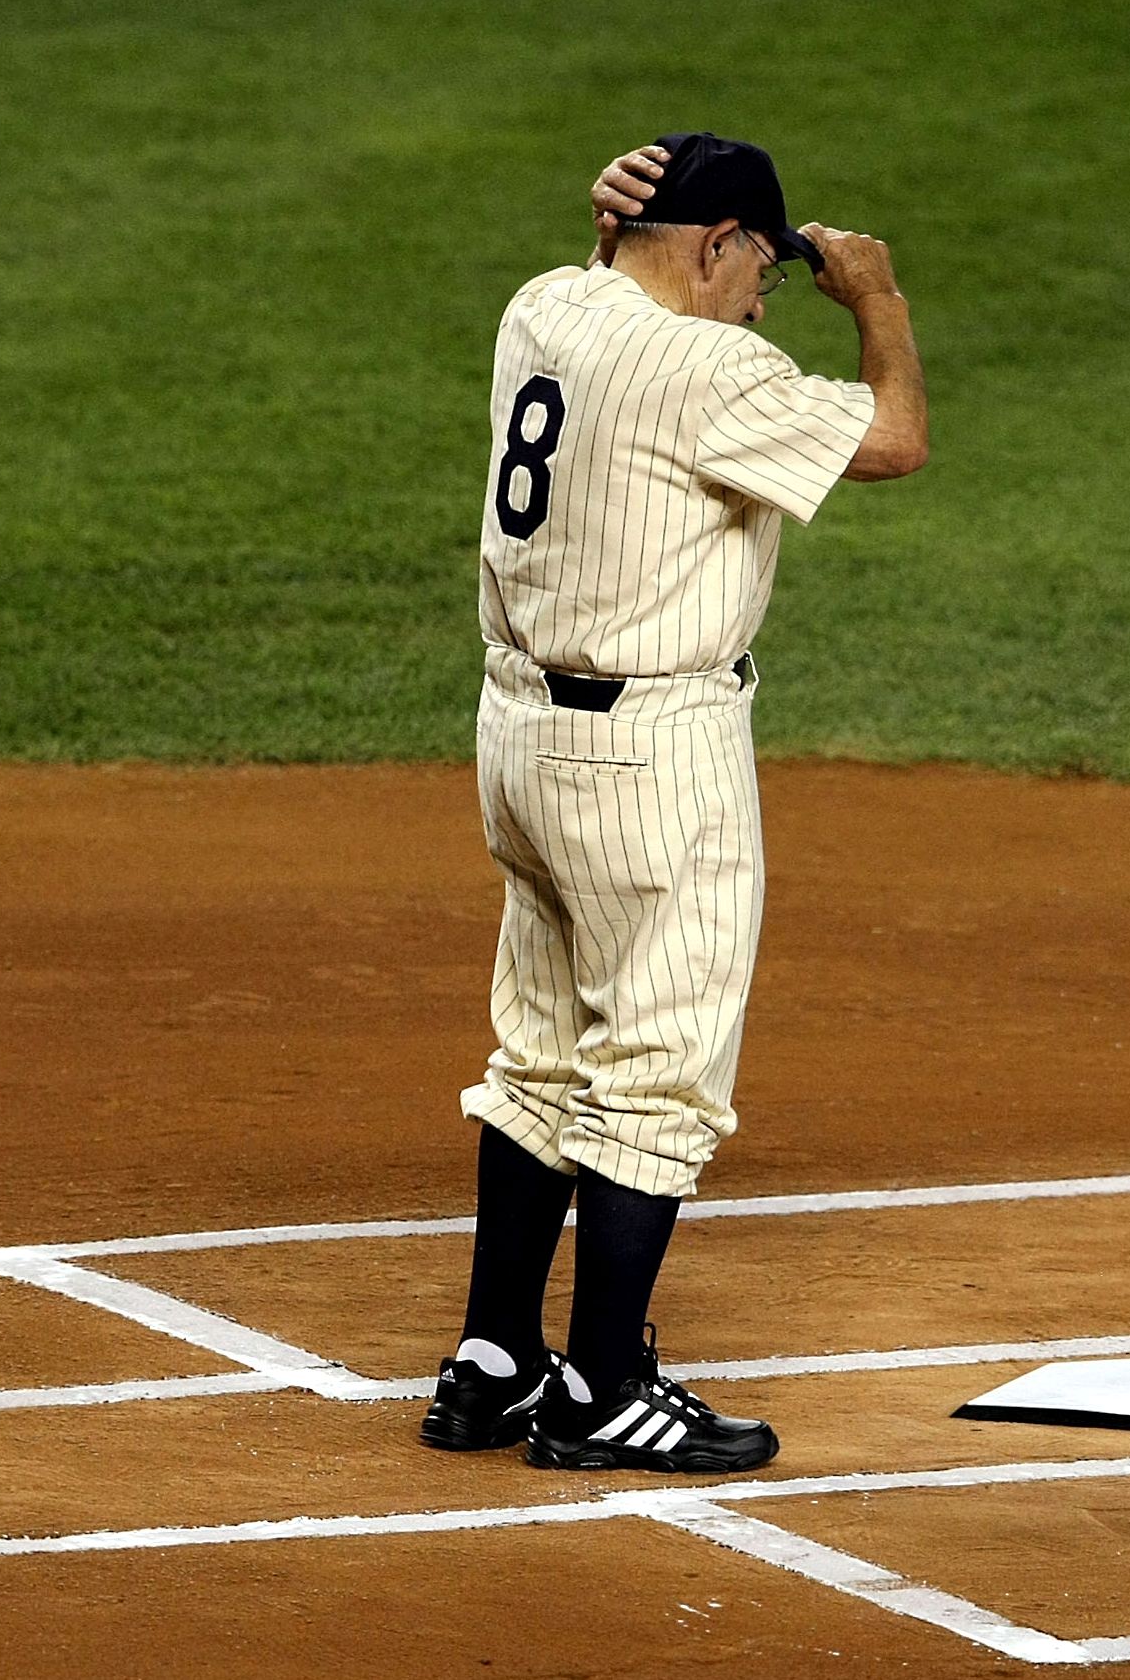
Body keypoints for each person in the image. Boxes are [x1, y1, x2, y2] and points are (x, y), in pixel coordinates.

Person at [419, 133, 928, 1472]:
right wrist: (875, 301)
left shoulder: (545, 303)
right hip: (650, 754)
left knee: (538, 1047)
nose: (767, 301)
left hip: (517, 736)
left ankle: (490, 1361)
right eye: (762, 270)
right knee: (657, 1069)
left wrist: (608, 226)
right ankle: (595, 1395)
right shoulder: (711, 370)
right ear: (712, 244)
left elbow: (609, 270)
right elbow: (893, 441)